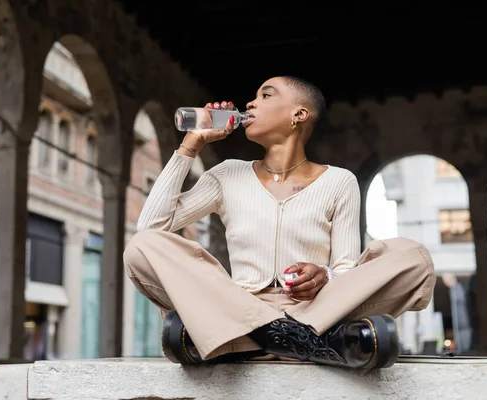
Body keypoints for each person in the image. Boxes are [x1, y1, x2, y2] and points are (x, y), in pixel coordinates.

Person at [123, 76, 436, 369]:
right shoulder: (226, 175)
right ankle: (303, 341)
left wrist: (324, 275)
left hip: (317, 310)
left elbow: (345, 270)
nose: (250, 104)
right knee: (142, 247)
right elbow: (151, 227)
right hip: (237, 304)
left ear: (298, 114)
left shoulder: (340, 182)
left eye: (266, 95)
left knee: (413, 257)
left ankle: (247, 340)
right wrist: (192, 143)